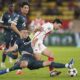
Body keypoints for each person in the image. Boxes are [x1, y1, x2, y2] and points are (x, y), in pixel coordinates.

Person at [0, 30, 74, 76]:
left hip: (33, 61)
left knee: (49, 62)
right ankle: (6, 70)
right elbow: (14, 47)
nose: (26, 33)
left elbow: (34, 33)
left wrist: (37, 30)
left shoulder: (30, 39)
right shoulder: (18, 41)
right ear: (20, 33)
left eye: (26, 32)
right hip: (26, 57)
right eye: (24, 32)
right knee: (24, 63)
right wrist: (8, 50)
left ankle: (68, 65)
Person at [0, 3, 18, 68]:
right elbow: (0, 24)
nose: (12, 8)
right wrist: (7, 27)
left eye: (13, 7)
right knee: (7, 47)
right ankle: (2, 62)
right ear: (8, 7)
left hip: (14, 33)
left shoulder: (16, 15)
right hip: (7, 33)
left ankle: (11, 58)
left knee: (14, 46)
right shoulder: (4, 14)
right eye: (11, 6)